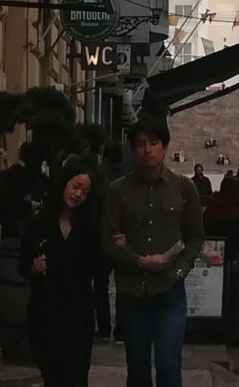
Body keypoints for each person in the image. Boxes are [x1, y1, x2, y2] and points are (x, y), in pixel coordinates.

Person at [102, 115, 204, 387]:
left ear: (166, 146)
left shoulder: (183, 187)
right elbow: (108, 240)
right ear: (133, 149)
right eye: (140, 144)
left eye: (154, 143)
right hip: (132, 292)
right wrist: (137, 260)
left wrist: (180, 270)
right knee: (137, 369)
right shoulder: (117, 190)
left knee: (169, 366)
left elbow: (195, 237)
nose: (147, 149)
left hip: (169, 291)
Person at [19, 156, 99, 387]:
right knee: (53, 376)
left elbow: (98, 267)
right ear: (65, 183)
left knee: (75, 378)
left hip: (77, 314)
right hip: (45, 313)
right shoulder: (39, 224)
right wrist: (33, 268)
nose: (78, 195)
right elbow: (23, 265)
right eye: (75, 187)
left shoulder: (89, 228)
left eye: (84, 192)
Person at [95, 143, 126, 342]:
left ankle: (104, 327)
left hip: (103, 237)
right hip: (124, 238)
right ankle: (121, 330)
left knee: (100, 285)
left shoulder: (100, 177)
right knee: (123, 286)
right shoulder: (128, 178)